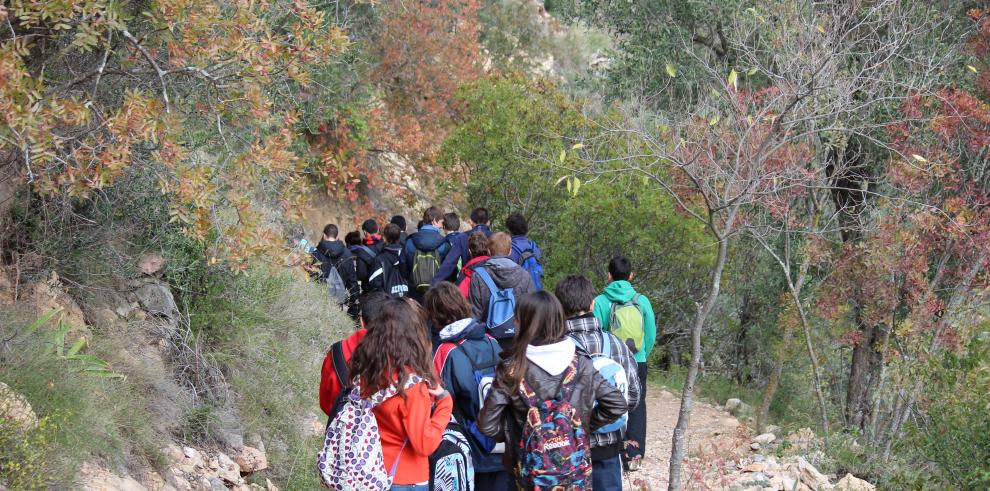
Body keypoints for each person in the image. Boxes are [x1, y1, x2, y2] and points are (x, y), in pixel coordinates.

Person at [478, 292, 626, 488]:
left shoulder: (511, 369)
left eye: (517, 318)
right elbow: (616, 404)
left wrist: (519, 437)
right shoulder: (581, 363)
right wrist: (579, 427)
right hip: (574, 471)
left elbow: (487, 424)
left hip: (527, 472)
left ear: (523, 323)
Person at [348, 297, 454, 490]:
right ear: (415, 335)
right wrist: (445, 403)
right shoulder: (411, 386)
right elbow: (424, 443)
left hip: (370, 470)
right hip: (404, 478)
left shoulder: (368, 369)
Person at [556, 274, 641, 489]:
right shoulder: (618, 346)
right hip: (609, 447)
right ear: (592, 303)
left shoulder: (554, 349)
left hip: (568, 448)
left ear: (559, 307)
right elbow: (633, 397)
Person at [424, 283, 507, 491]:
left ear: (435, 316)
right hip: (503, 445)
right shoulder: (492, 341)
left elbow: (435, 401)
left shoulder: (446, 351)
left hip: (470, 449)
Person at [592, 255, 657, 472]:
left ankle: (614, 451)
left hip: (610, 362)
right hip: (637, 360)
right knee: (637, 405)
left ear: (609, 275)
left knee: (609, 403)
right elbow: (650, 334)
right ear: (631, 276)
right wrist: (642, 354)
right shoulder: (642, 300)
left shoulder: (601, 301)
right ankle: (634, 454)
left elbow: (598, 333)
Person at [319, 291, 391, 415]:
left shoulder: (336, 352)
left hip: (339, 428)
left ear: (362, 321)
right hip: (378, 432)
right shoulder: (398, 359)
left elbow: (325, 402)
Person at [468, 232, 535, 350]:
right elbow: (531, 310)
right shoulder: (525, 275)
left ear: (488, 251)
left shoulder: (478, 275)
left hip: (488, 342)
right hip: (517, 341)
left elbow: (475, 314)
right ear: (510, 251)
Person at [431, 207, 493, 287]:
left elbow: (449, 263)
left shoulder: (462, 237)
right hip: (490, 284)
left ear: (471, 222)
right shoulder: (495, 237)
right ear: (488, 222)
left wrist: (434, 284)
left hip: (468, 283)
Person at [314, 224, 359, 319]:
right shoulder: (347, 253)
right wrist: (354, 303)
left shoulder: (316, 253)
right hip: (339, 298)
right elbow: (352, 279)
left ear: (324, 235)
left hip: (319, 298)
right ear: (337, 237)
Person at [403, 207, 449, 299]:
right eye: (441, 222)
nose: (442, 226)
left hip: (414, 291)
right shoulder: (444, 244)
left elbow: (404, 267)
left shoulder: (409, 242)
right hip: (437, 293)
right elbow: (448, 269)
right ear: (435, 221)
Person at [505, 213, 544, 289]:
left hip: (518, 293)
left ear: (510, 230)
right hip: (535, 291)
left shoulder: (509, 248)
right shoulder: (534, 246)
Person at [369, 223, 409, 297]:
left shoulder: (381, 258)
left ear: (385, 237)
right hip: (406, 298)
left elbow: (374, 282)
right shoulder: (406, 254)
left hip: (387, 301)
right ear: (399, 237)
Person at [456, 232, 491, 299]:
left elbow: (459, 299)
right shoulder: (497, 268)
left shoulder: (466, 274)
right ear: (488, 250)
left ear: (469, 251)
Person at [345, 230, 376, 295]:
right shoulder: (368, 252)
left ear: (348, 243)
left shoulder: (345, 254)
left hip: (351, 288)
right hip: (368, 288)